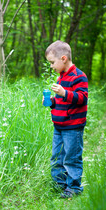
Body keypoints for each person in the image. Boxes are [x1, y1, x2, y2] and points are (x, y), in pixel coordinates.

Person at [44, 40, 88, 198]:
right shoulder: (61, 78)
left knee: (71, 157)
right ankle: (59, 184)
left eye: (52, 62)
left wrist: (64, 93)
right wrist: (52, 102)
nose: (51, 66)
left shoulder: (79, 76)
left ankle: (74, 187)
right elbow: (62, 100)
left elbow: (82, 98)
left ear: (63, 58)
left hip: (73, 126)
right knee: (57, 156)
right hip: (59, 125)